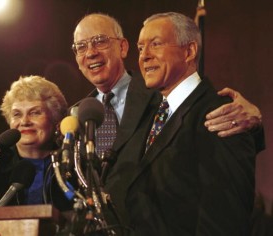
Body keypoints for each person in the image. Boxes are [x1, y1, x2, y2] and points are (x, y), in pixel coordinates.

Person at [104, 12, 258, 235]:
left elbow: (226, 216)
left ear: (189, 51)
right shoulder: (151, 112)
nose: (144, 56)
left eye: (155, 44)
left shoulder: (222, 114)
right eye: (140, 48)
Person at [0, 75, 73, 211]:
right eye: (17, 114)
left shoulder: (75, 166)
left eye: (35, 113)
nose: (25, 122)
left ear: (55, 119)